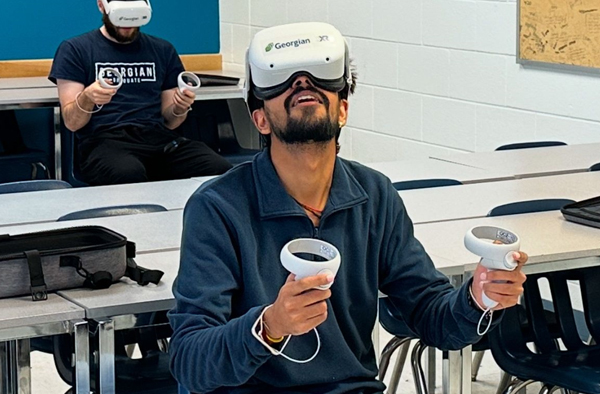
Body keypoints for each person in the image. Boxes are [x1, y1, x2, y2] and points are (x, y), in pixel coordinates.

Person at [169, 22, 528, 394]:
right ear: (260, 119)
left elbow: (430, 314)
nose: (302, 84)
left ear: (342, 110)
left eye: (317, 79)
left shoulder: (374, 196)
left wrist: (478, 298)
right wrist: (268, 326)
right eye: (285, 81)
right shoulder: (217, 208)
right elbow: (189, 362)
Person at [48, 0, 232, 186]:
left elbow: (171, 121)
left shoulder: (162, 49)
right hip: (105, 142)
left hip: (158, 139)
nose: (127, 24)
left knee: (218, 169)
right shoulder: (75, 49)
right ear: (102, 6)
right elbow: (72, 122)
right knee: (127, 173)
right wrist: (87, 97)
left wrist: (179, 108)